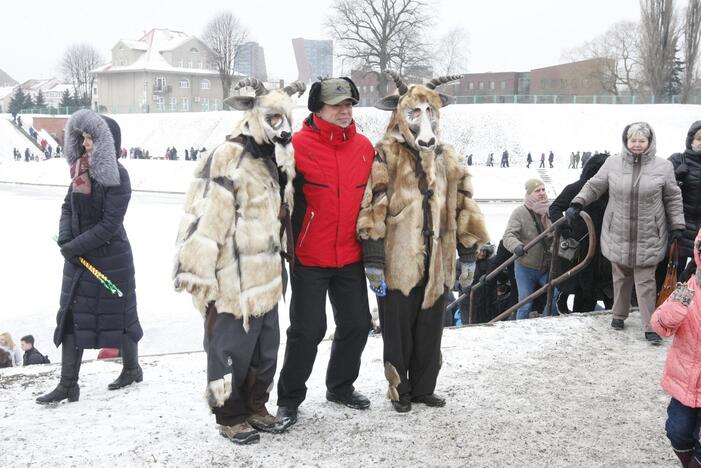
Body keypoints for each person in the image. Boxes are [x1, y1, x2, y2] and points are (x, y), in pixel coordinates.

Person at [174, 78, 305, 444]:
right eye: (273, 118)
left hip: (267, 272)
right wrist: (199, 272)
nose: (283, 126)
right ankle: (230, 416)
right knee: (230, 348)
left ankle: (256, 406)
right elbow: (206, 218)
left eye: (286, 118)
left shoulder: (276, 158)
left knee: (265, 348)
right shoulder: (228, 156)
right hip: (232, 276)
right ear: (255, 116)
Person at [357, 70, 489, 413]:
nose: (423, 119)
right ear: (401, 114)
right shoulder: (387, 153)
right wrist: (373, 257)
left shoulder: (447, 157)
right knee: (398, 328)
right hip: (399, 259)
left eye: (429, 111)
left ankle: (425, 387)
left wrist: (469, 251)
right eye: (414, 112)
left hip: (438, 260)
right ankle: (401, 389)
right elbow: (374, 204)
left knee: (431, 326)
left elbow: (463, 203)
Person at [275, 77, 374, 429]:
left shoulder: (364, 147)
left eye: (349, 105)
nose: (345, 111)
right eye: (337, 106)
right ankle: (288, 399)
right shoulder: (296, 146)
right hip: (309, 256)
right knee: (308, 330)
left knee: (358, 323)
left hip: (350, 254)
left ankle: (340, 386)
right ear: (318, 109)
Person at [36, 110, 143, 405]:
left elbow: (109, 225)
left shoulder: (118, 176)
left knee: (121, 316)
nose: (85, 144)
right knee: (72, 317)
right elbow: (67, 207)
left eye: (90, 138)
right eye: (82, 137)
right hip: (79, 258)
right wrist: (67, 238)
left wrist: (76, 246)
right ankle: (68, 385)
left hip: (111, 259)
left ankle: (132, 368)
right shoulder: (79, 171)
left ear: (107, 142)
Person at [567, 122, 685, 344]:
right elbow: (594, 186)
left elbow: (672, 196)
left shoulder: (663, 167)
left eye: (642, 140)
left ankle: (650, 326)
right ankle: (618, 315)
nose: (637, 144)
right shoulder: (612, 164)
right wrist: (577, 203)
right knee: (620, 276)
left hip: (649, 232)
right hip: (618, 231)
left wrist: (677, 225)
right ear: (626, 141)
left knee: (646, 281)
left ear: (650, 142)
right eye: (633, 140)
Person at [650, 230, 701, 468]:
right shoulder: (687, 288)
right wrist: (678, 309)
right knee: (677, 432)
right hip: (683, 383)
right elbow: (659, 325)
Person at [549, 154, 613, 313]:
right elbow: (555, 208)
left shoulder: (613, 191)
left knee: (606, 289)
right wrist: (564, 227)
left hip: (606, 249)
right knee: (584, 289)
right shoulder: (578, 187)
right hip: (583, 248)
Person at [503, 178, 559, 319]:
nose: (541, 193)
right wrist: (516, 246)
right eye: (537, 190)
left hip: (547, 266)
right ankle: (520, 332)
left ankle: (547, 322)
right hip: (525, 267)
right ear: (529, 193)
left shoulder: (551, 210)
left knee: (555, 295)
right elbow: (508, 235)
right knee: (525, 304)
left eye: (543, 189)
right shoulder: (520, 212)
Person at [669, 121, 701, 282]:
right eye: (699, 138)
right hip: (681, 226)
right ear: (691, 140)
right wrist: (676, 178)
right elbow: (663, 191)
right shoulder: (677, 160)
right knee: (674, 271)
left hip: (700, 229)